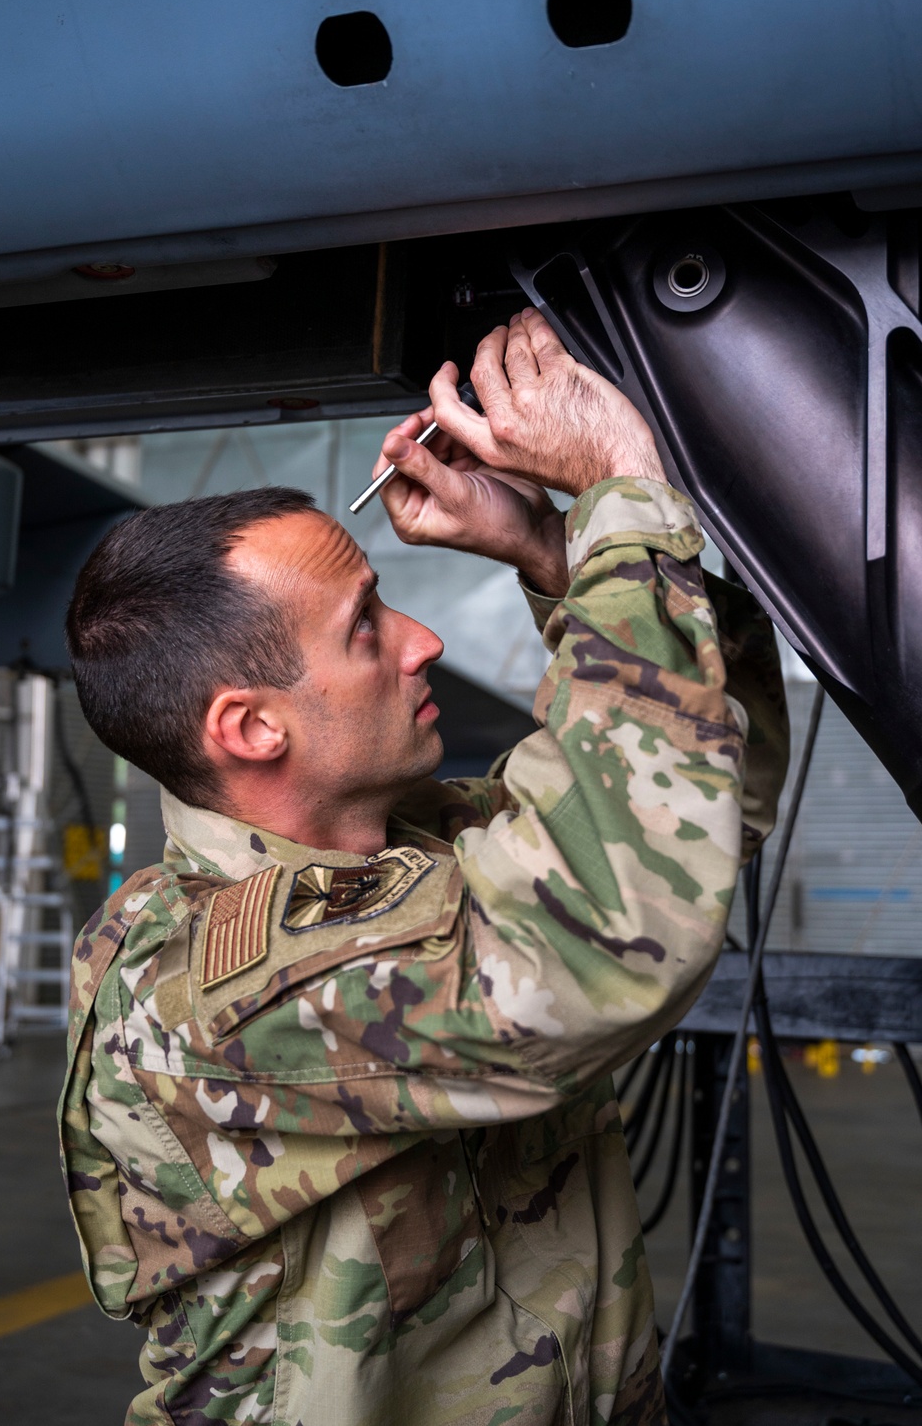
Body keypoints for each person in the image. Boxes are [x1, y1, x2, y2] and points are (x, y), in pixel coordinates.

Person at [60, 310, 788, 1426]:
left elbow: (695, 800)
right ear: (252, 729)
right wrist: (619, 494)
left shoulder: (433, 849)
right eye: (364, 627)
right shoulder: (197, 978)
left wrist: (550, 551)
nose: (422, 639)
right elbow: (605, 941)